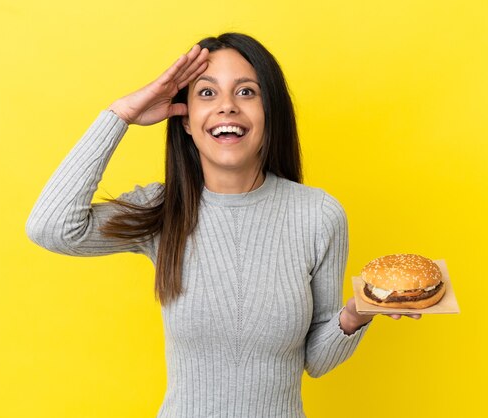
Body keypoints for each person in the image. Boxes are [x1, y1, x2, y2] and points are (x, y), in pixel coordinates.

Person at [26, 32, 420, 418]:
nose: (227, 106)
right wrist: (121, 115)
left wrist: (356, 314)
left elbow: (315, 360)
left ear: (270, 113)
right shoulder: (164, 209)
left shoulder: (318, 214)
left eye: (247, 92)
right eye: (207, 93)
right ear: (184, 119)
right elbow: (52, 227)